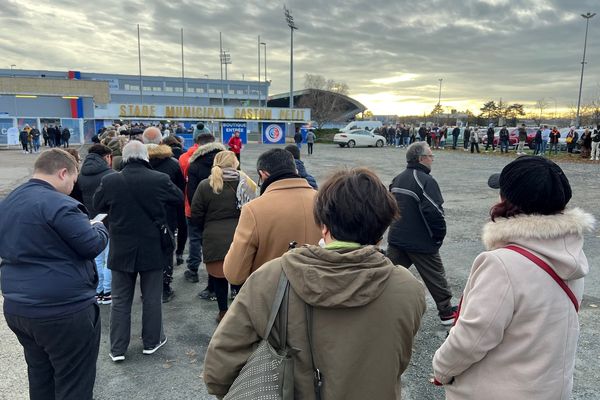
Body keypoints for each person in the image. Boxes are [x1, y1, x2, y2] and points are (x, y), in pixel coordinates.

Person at [204, 168, 426, 399]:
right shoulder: (407, 288)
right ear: (381, 232)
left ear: (323, 224)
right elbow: (398, 359)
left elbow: (219, 368)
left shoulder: (271, 277)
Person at [433, 156, 594, 400]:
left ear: (508, 201)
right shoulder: (571, 254)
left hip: (500, 389)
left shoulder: (502, 263)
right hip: (548, 389)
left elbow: (472, 339)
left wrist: (441, 369)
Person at [0, 149, 109, 400]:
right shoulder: (62, 205)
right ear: (62, 172)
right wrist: (100, 228)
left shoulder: (10, 201)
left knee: (40, 377)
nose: (73, 186)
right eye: (73, 179)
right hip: (63, 309)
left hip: (18, 306)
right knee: (74, 382)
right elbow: (91, 245)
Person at [93, 141, 183, 362]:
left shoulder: (110, 180)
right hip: (152, 246)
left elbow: (98, 205)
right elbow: (178, 199)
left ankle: (117, 348)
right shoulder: (159, 179)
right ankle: (151, 342)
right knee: (151, 297)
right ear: (145, 157)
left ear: (123, 157)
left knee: (121, 299)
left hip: (121, 247)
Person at [223, 148, 322, 285]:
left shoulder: (254, 209)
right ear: (296, 171)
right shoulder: (324, 201)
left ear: (262, 174)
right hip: (318, 291)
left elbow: (234, 274)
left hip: (272, 295)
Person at [388, 142, 457, 325]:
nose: (432, 159)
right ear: (421, 158)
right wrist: (438, 236)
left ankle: (371, 304)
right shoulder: (426, 181)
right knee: (435, 276)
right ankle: (447, 313)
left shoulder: (398, 179)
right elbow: (434, 212)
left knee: (385, 274)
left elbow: (387, 207)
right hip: (420, 241)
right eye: (430, 156)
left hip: (397, 238)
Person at [191, 151, 256, 322]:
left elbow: (196, 213)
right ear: (235, 163)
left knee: (219, 277)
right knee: (241, 275)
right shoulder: (247, 184)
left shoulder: (206, 185)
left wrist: (206, 227)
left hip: (214, 238)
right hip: (242, 235)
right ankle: (242, 312)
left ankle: (223, 312)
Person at [142, 127, 186, 302]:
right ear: (161, 141)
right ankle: (165, 287)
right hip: (167, 215)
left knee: (146, 252)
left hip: (142, 216)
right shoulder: (172, 164)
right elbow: (181, 194)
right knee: (166, 250)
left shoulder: (135, 163)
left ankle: (148, 288)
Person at [184, 134, 226, 302]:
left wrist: (197, 218)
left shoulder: (194, 164)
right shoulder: (229, 163)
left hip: (205, 215)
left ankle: (208, 285)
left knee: (204, 248)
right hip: (226, 215)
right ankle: (233, 287)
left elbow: (192, 194)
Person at [77, 144, 116, 305]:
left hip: (87, 220)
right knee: (109, 258)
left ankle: (98, 290)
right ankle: (107, 291)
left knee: (96, 258)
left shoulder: (80, 175)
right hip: (108, 220)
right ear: (106, 157)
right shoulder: (110, 175)